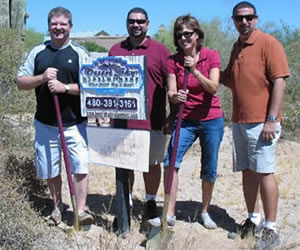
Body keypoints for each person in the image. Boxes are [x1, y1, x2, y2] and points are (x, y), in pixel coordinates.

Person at [17, 7, 94, 226]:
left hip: (75, 124)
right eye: (54, 24)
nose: (58, 28)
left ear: (70, 26)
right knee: (51, 168)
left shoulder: (80, 53)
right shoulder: (37, 52)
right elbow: (21, 82)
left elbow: (92, 87)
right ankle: (57, 207)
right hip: (45, 123)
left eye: (63, 24)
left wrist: (65, 87)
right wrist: (42, 77)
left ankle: (80, 211)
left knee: (80, 166)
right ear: (49, 26)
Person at [221, 1, 289, 249]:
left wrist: (271, 119)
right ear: (233, 20)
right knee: (248, 172)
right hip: (239, 121)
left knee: (265, 172)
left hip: (263, 123)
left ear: (256, 19)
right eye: (239, 18)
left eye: (248, 17)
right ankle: (254, 219)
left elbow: (280, 82)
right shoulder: (237, 46)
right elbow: (229, 78)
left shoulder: (268, 43)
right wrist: (203, 69)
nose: (244, 22)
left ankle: (271, 229)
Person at [159, 14, 224, 229]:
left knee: (209, 167)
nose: (183, 38)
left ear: (197, 35)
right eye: (179, 35)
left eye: (188, 33)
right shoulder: (172, 61)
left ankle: (205, 211)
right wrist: (175, 97)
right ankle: (169, 212)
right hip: (185, 119)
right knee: (170, 163)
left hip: (211, 119)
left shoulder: (211, 56)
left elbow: (214, 87)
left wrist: (194, 69)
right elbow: (171, 91)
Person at [108, 7, 171, 221]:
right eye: (132, 21)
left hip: (152, 122)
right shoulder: (115, 50)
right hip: (122, 122)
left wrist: (171, 118)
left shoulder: (161, 51)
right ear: (126, 23)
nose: (136, 25)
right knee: (125, 167)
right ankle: (125, 204)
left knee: (152, 165)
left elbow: (171, 85)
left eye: (140, 21)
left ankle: (151, 201)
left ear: (148, 23)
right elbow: (106, 85)